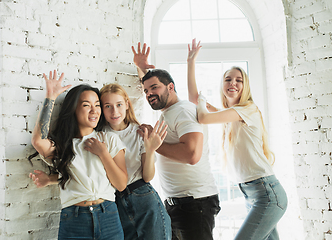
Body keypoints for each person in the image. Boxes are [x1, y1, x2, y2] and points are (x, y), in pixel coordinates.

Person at [187, 39, 288, 240]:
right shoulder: (228, 114)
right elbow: (194, 101)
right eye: (228, 79)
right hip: (253, 194)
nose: (233, 83)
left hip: (267, 193)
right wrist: (191, 62)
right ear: (222, 84)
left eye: (238, 80)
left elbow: (203, 116)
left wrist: (203, 101)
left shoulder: (248, 110)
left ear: (245, 86)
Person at [132, 42, 220, 240]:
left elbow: (192, 154)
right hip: (180, 203)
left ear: (171, 87)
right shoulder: (169, 112)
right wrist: (142, 68)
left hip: (194, 203)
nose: (149, 94)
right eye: (145, 91)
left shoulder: (184, 110)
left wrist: (153, 143)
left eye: (154, 88)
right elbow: (153, 85)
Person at [29, 70, 128, 240]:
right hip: (74, 220)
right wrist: (50, 97)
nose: (94, 110)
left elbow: (120, 184)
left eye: (97, 105)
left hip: (108, 217)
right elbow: (38, 141)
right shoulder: (62, 145)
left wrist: (103, 154)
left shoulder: (109, 139)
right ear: (73, 109)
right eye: (86, 105)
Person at [99, 83, 172, 240]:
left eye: (119, 104)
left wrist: (150, 150)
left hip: (143, 198)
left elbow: (147, 177)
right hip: (115, 202)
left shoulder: (139, 132)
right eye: (108, 106)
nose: (114, 111)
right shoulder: (99, 136)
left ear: (126, 104)